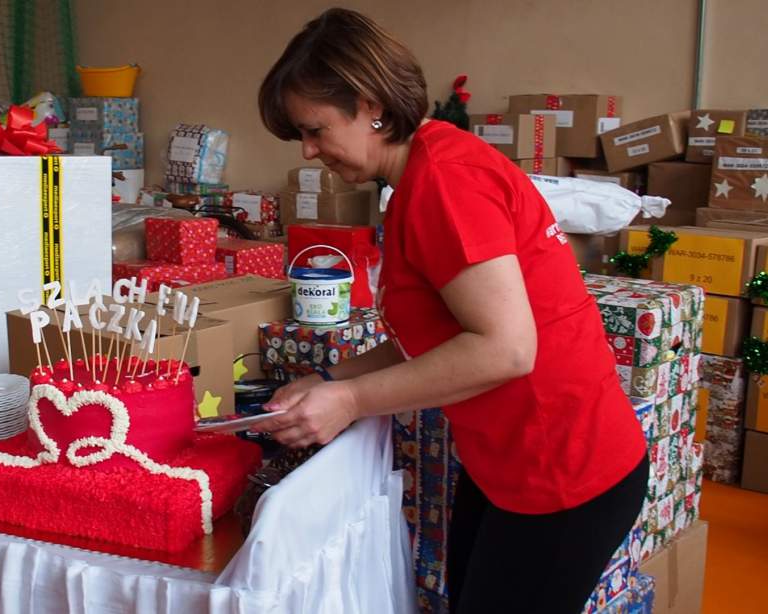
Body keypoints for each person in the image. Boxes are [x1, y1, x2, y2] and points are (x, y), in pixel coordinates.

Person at [254, 8, 648, 614]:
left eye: (314, 129)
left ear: (370, 105)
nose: (309, 151)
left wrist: (353, 401)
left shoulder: (445, 180)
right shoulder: (417, 177)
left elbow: (506, 349)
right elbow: (432, 338)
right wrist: (330, 380)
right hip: (508, 462)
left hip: (562, 470)